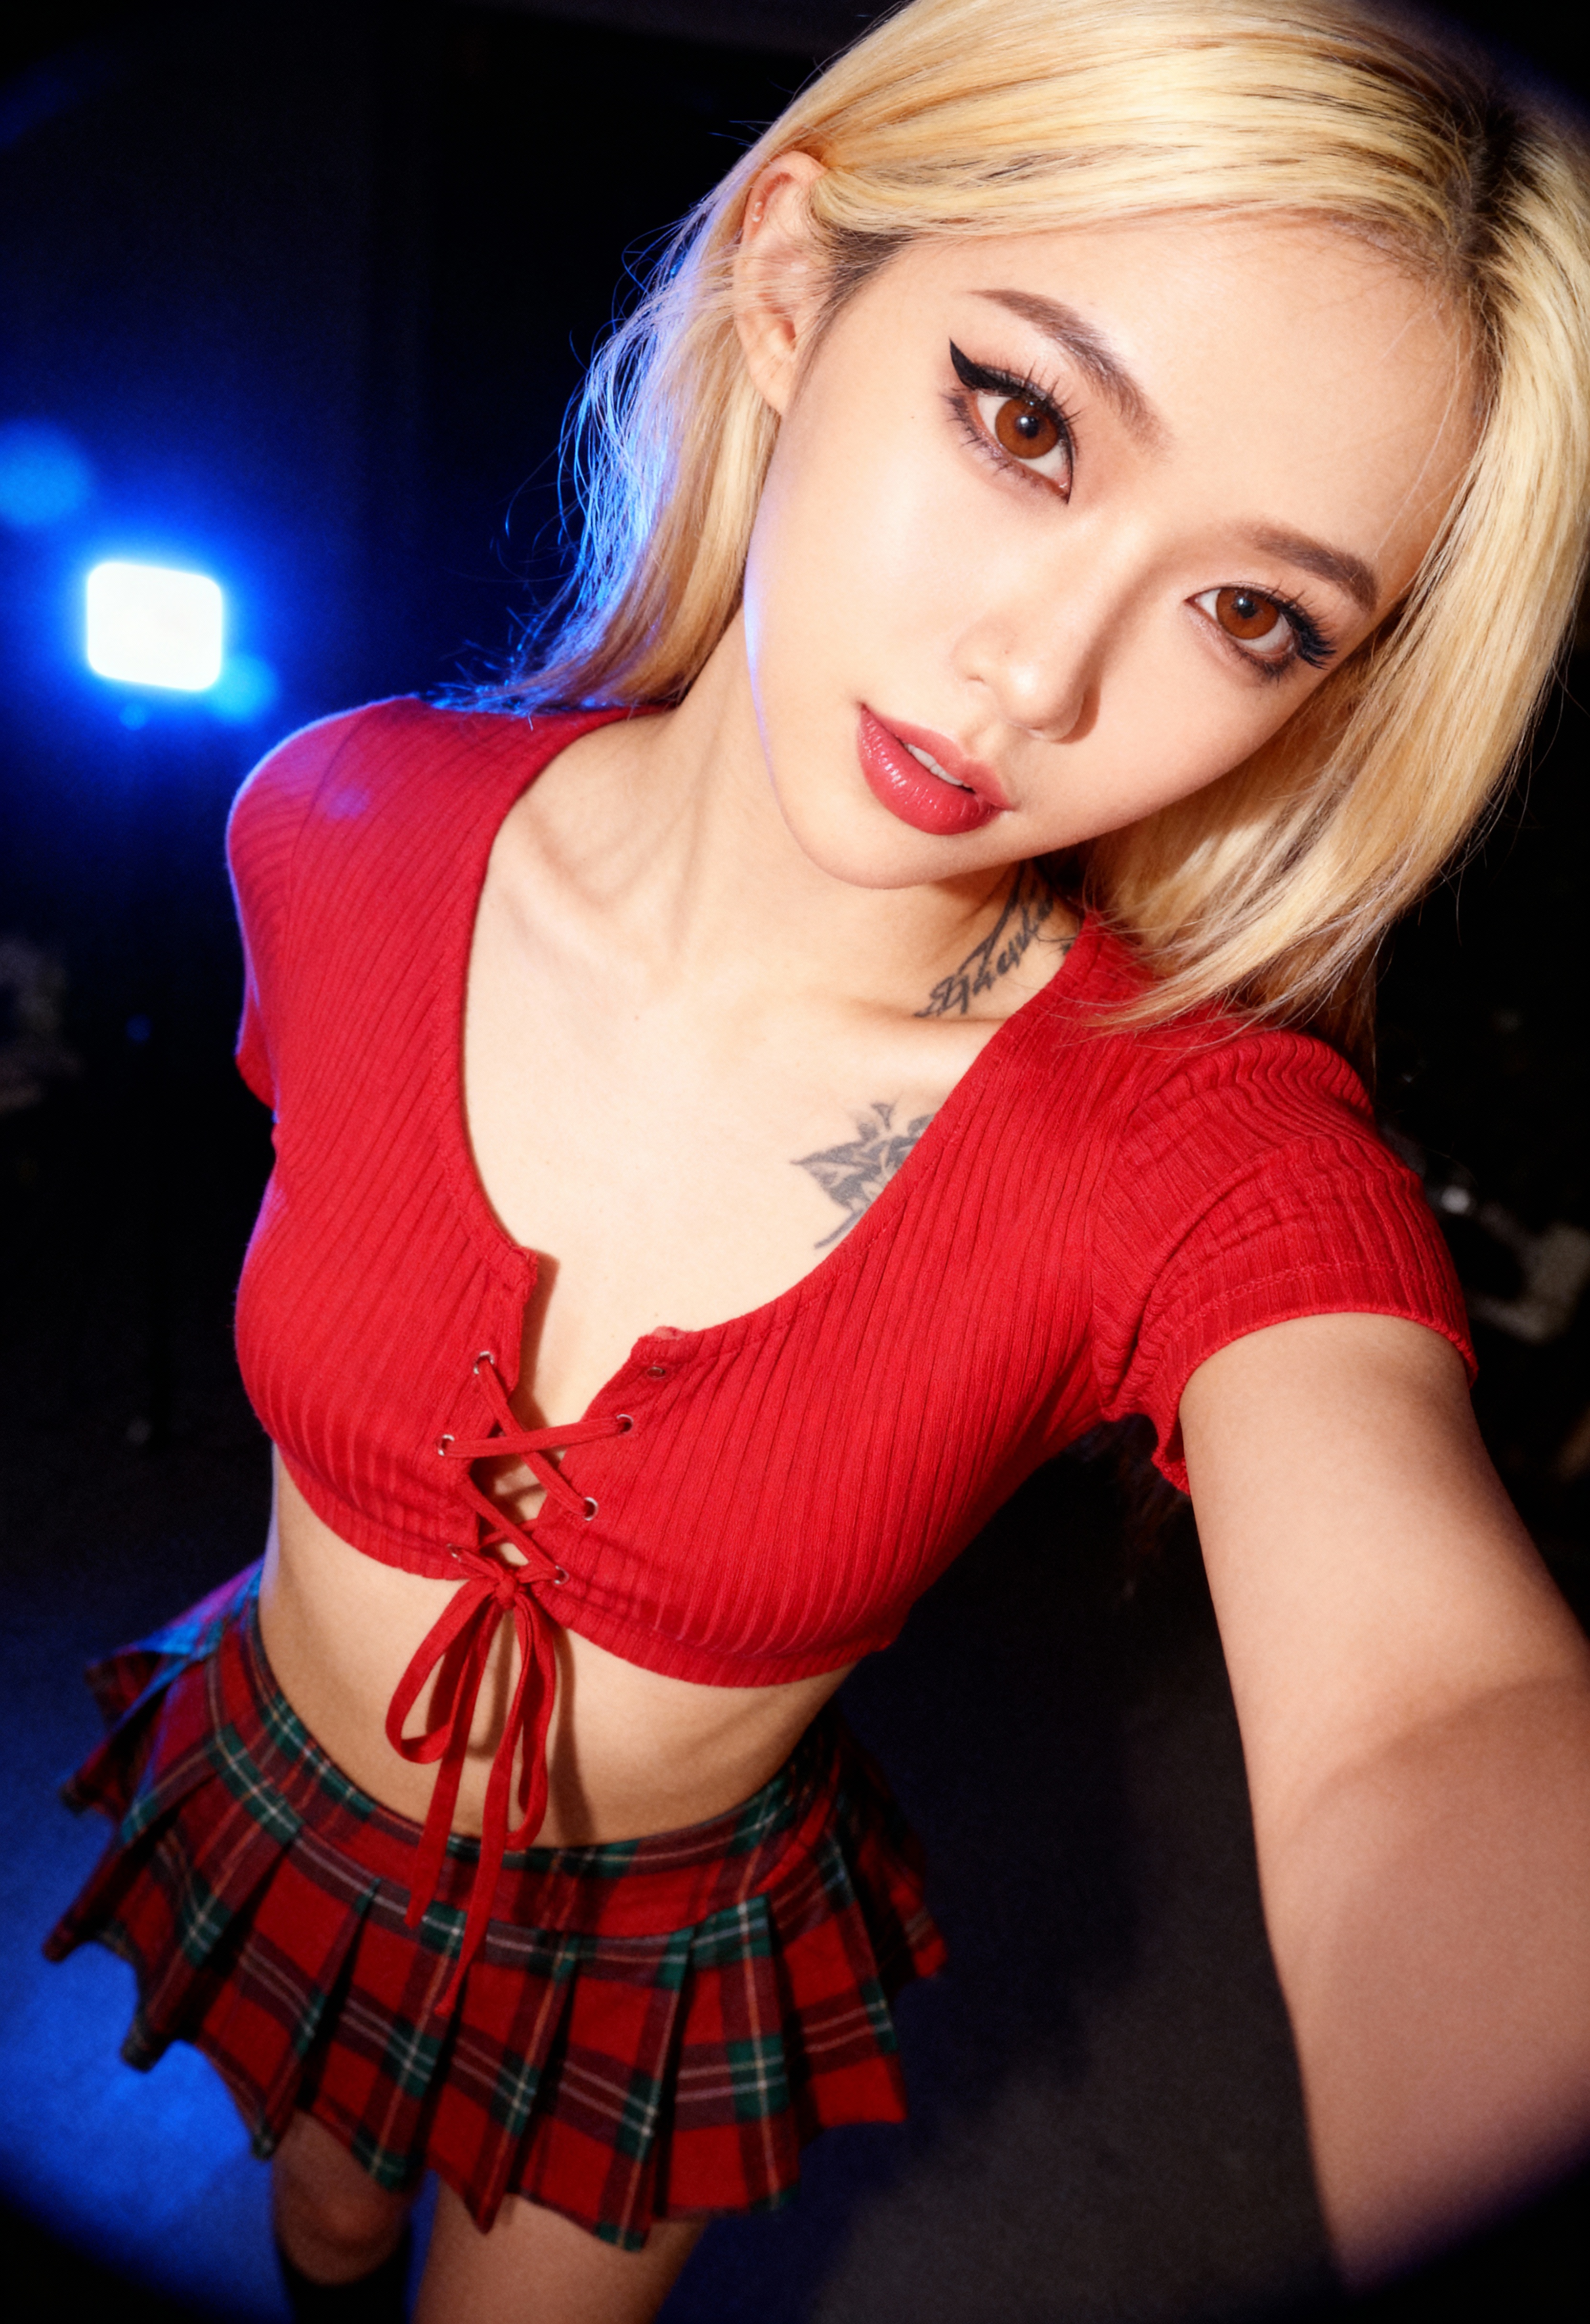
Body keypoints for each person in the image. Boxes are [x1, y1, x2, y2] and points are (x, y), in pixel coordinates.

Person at [45, 1, 1590, 2318]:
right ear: (792, 282)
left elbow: (1428, 1715)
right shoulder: (332, 821)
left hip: (644, 1954)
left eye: (1252, 613)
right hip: (285, 1782)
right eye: (1025, 419)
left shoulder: (1198, 1149)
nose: (1039, 676)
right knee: (325, 2220)